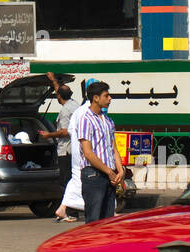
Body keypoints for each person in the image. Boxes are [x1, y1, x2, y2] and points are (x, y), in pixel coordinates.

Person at [70, 81, 124, 223]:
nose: (110, 99)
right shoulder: (85, 119)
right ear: (95, 98)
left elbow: (113, 148)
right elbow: (88, 153)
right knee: (94, 220)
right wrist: (109, 171)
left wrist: (120, 170)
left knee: (108, 220)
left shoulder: (108, 121)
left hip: (109, 175)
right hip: (93, 174)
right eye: (106, 96)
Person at [35, 74, 76, 221]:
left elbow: (64, 132)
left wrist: (49, 135)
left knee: (66, 182)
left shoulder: (65, 111)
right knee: (71, 181)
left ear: (59, 96)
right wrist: (53, 81)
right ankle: (70, 211)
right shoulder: (73, 104)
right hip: (73, 151)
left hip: (66, 151)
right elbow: (61, 93)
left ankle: (70, 212)